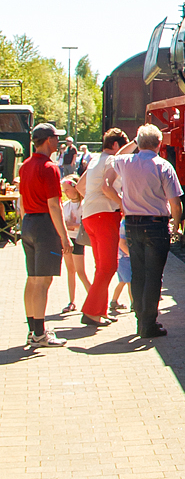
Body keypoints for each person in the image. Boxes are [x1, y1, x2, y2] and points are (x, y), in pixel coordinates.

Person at [105, 125, 182, 339]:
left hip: (132, 225)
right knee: (154, 275)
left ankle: (140, 319)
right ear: (160, 144)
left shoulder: (125, 162)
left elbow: (117, 155)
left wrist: (134, 143)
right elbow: (175, 203)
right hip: (156, 225)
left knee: (138, 273)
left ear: (138, 144)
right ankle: (148, 323)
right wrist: (176, 226)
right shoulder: (163, 166)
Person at [17, 123, 74, 348]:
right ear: (48, 140)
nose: (58, 142)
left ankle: (33, 329)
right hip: (44, 226)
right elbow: (54, 205)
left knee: (32, 278)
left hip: (29, 223)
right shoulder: (50, 167)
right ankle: (40, 334)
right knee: (43, 281)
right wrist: (64, 236)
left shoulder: (25, 165)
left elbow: (21, 201)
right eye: (55, 138)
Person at [77, 128, 129, 326]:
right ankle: (91, 312)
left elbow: (80, 187)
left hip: (90, 215)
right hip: (105, 215)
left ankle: (100, 310)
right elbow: (106, 188)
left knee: (102, 267)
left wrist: (92, 201)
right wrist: (121, 204)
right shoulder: (110, 160)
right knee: (108, 266)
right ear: (116, 145)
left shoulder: (94, 160)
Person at [59, 176, 93, 311]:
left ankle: (93, 298)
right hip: (67, 239)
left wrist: (73, 225)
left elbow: (84, 224)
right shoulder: (65, 205)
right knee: (70, 270)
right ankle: (71, 301)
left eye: (67, 189)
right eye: (64, 190)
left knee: (80, 271)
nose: (65, 193)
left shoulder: (84, 204)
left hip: (78, 240)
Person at [108, 222, 132, 316]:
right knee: (130, 281)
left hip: (121, 257)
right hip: (124, 258)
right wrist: (132, 256)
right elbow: (122, 243)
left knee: (123, 281)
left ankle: (114, 301)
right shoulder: (124, 225)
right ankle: (133, 303)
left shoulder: (123, 224)